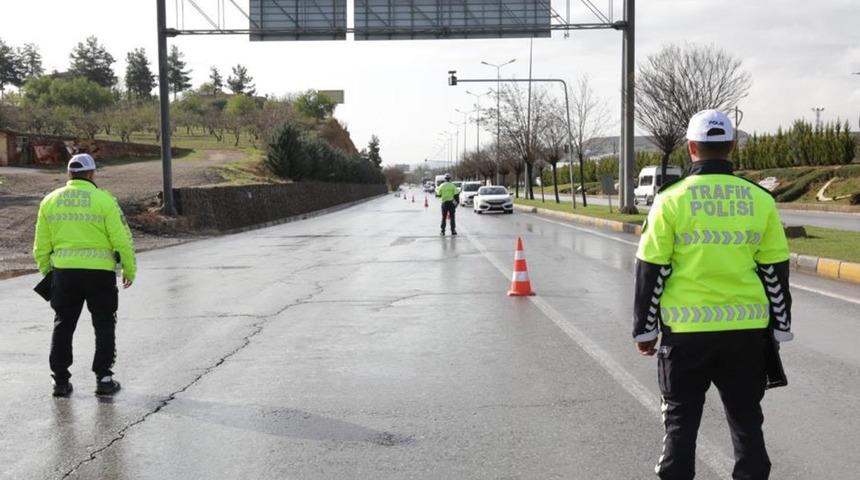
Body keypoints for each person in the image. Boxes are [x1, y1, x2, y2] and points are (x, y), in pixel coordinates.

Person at [633, 110, 793, 480]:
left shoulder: (669, 200)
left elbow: (651, 269)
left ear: (691, 148)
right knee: (747, 425)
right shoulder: (760, 201)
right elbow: (775, 273)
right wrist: (781, 328)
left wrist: (645, 330)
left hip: (685, 337)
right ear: (732, 146)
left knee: (680, 426)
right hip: (747, 336)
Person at [33, 153, 137, 397]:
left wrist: (48, 272)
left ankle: (60, 381)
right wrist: (129, 269)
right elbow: (121, 239)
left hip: (65, 274)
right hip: (100, 274)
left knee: (63, 324)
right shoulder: (104, 200)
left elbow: (41, 244)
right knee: (103, 323)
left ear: (69, 174)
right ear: (91, 174)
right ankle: (103, 378)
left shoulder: (49, 200)